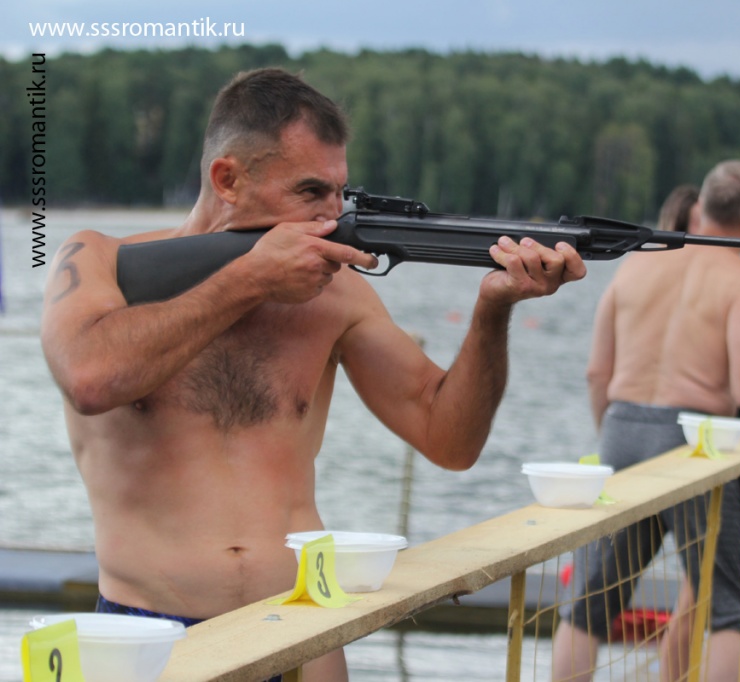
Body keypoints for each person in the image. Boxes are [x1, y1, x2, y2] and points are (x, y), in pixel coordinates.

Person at [40, 67, 586, 682]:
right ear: (227, 179)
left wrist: (492, 309)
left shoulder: (336, 291)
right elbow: (90, 377)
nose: (333, 214)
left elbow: (450, 441)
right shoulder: (99, 259)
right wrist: (249, 280)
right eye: (310, 192)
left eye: (339, 191)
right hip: (146, 639)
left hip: (304, 629)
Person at [551, 161, 740, 682]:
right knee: (731, 606)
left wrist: (615, 438)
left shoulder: (637, 264)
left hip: (620, 431)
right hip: (693, 444)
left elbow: (597, 372)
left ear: (702, 205)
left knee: (591, 604)